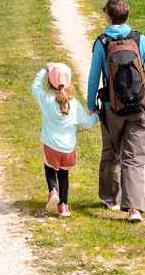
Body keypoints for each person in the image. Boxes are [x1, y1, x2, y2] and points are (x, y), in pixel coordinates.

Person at [86, 0, 145, 222]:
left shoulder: (102, 43)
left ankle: (111, 198)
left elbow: (93, 78)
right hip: (139, 108)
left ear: (108, 17)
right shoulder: (140, 40)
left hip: (112, 108)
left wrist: (92, 105)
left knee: (111, 152)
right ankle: (135, 208)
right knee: (134, 158)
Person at [31, 61, 97, 217]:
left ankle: (53, 190)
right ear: (69, 84)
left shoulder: (46, 100)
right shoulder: (74, 105)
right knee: (64, 175)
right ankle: (64, 206)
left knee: (50, 169)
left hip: (51, 147)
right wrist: (96, 116)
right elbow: (87, 122)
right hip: (68, 150)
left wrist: (44, 69)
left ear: (50, 83)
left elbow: (35, 87)